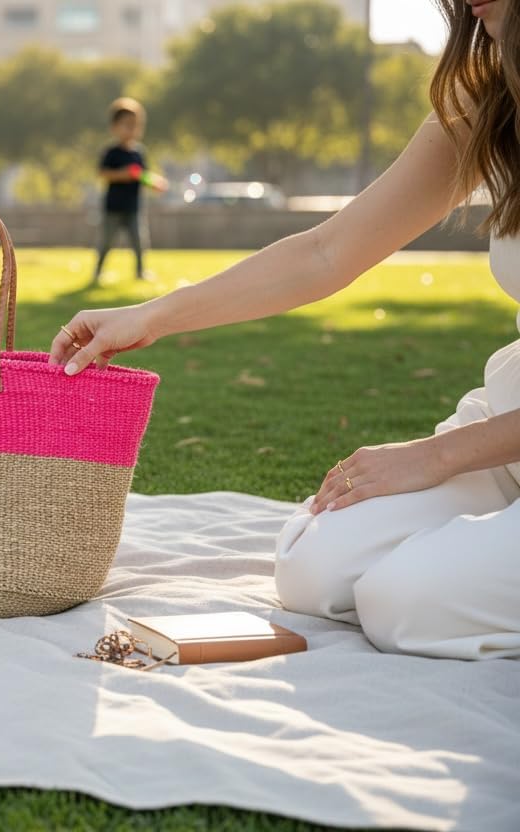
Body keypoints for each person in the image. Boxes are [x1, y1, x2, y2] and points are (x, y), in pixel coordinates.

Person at [51, 0, 520, 661]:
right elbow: (328, 252)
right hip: (506, 430)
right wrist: (148, 317)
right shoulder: (489, 94)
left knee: (403, 602)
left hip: (493, 440)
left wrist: (434, 456)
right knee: (314, 567)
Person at [92, 97, 168, 285]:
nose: (131, 129)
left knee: (139, 242)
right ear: (114, 127)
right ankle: (98, 272)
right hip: (113, 207)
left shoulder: (138, 153)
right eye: (126, 125)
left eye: (135, 125)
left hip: (133, 207)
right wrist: (123, 174)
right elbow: (103, 173)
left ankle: (141, 272)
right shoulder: (112, 152)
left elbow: (143, 175)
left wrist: (154, 182)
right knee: (107, 242)